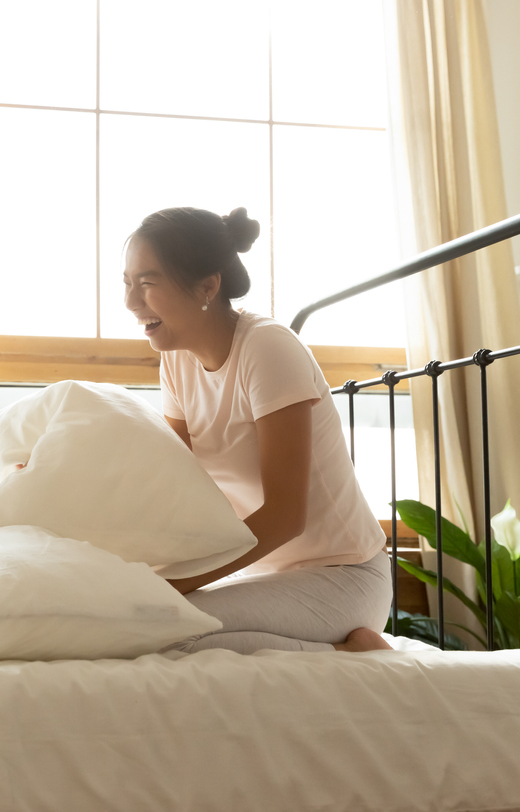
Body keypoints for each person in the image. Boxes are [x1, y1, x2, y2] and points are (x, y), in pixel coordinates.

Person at [122, 206, 393, 654]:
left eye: (147, 283)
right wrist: (67, 471)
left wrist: (177, 583)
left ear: (208, 286)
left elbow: (287, 515)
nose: (131, 302)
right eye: (128, 283)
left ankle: (352, 654)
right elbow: (170, 480)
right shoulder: (177, 358)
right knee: (138, 624)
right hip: (265, 576)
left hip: (343, 577)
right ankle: (341, 651)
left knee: (171, 637)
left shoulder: (267, 348)